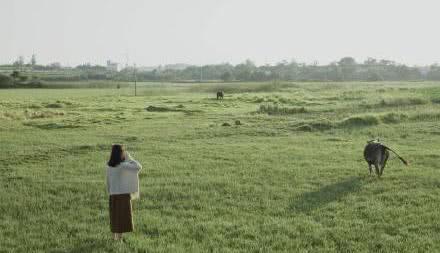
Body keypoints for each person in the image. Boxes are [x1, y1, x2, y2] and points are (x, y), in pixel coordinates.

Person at [106, 144, 142, 241]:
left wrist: (109, 191)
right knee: (122, 217)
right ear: (120, 154)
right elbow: (138, 167)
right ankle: (119, 239)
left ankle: (114, 237)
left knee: (114, 217)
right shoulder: (123, 166)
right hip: (123, 195)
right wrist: (129, 158)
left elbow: (108, 180)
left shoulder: (109, 165)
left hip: (113, 195)